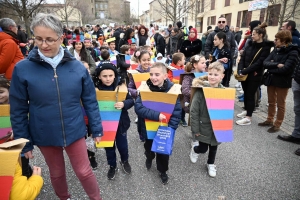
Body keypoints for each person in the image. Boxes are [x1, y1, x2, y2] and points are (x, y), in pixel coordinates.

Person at [9, 13, 103, 200]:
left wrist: (96, 128)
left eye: (50, 39)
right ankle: (64, 197)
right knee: (57, 172)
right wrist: (24, 141)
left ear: (61, 38)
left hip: (74, 128)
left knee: (84, 171)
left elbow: (90, 100)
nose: (44, 45)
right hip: (44, 132)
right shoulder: (23, 69)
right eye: (38, 38)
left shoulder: (77, 67)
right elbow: (18, 108)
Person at [134, 62, 181, 184]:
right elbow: (138, 108)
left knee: (163, 153)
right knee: (149, 148)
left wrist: (171, 129)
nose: (153, 77)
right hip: (147, 128)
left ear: (165, 76)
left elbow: (176, 113)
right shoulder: (144, 88)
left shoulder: (173, 91)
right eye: (151, 74)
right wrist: (157, 115)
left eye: (157, 74)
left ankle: (163, 170)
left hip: (164, 129)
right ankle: (149, 157)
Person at [92, 62, 134, 180]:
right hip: (104, 125)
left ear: (115, 75)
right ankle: (112, 165)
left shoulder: (121, 87)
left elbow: (131, 101)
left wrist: (124, 103)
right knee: (109, 148)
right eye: (104, 76)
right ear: (99, 76)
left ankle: (124, 161)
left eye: (110, 75)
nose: (108, 79)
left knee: (123, 146)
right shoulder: (95, 89)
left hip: (120, 124)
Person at [258, 30, 300, 133]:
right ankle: (269, 119)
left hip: (283, 82)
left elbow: (286, 69)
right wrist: (277, 64)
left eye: (276, 39)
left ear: (284, 40)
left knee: (281, 104)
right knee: (271, 102)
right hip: (271, 80)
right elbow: (265, 63)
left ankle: (278, 124)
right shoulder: (275, 50)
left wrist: (272, 65)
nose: (274, 41)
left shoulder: (293, 52)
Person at [189, 61, 225, 178]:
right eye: (210, 74)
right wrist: (195, 130)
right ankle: (195, 150)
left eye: (216, 74)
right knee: (203, 148)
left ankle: (211, 163)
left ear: (222, 76)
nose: (212, 77)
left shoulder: (225, 92)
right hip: (203, 125)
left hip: (217, 127)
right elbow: (194, 111)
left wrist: (225, 129)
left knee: (214, 147)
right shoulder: (200, 91)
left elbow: (227, 112)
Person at [235, 23, 273, 126]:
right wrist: (240, 70)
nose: (252, 36)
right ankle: (247, 110)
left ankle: (249, 117)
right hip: (244, 73)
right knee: (246, 93)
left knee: (250, 95)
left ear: (260, 35)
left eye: (254, 34)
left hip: (255, 75)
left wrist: (244, 71)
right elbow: (243, 57)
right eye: (252, 34)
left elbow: (259, 63)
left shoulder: (265, 47)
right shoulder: (250, 43)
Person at [277, 20, 300, 156]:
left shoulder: (295, 42)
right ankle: (296, 135)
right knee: (297, 109)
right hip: (298, 78)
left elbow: (287, 64)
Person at [181, 55, 207, 147]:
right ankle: (195, 139)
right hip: (192, 103)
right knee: (195, 120)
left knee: (203, 120)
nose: (205, 64)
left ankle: (202, 135)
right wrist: (197, 95)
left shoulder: (207, 75)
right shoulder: (189, 76)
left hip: (204, 104)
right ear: (195, 65)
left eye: (205, 62)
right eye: (202, 63)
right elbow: (185, 90)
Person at [204, 15, 236, 87]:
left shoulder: (230, 33)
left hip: (222, 70)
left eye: (223, 22)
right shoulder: (212, 34)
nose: (221, 23)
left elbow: (234, 46)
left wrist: (231, 56)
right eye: (219, 22)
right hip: (213, 64)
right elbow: (207, 47)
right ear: (217, 23)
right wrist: (210, 58)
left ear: (226, 23)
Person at [128, 50, 151, 141]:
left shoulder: (153, 72)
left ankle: (148, 134)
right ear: (139, 61)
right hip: (140, 101)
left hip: (151, 100)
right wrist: (137, 92)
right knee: (141, 120)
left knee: (150, 118)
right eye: (144, 60)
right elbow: (129, 88)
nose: (146, 62)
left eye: (148, 59)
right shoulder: (135, 73)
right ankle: (141, 134)